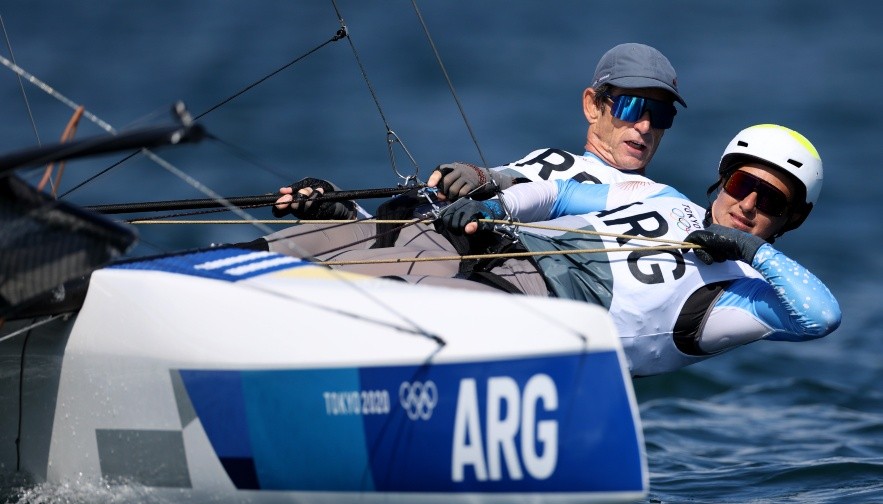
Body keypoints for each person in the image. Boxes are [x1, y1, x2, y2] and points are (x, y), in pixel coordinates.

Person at [257, 124, 840, 377]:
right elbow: (558, 194)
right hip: (497, 249)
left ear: (792, 219)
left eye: (771, 202)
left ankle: (274, 346)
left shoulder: (743, 296)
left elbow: (822, 316)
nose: (749, 205)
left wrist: (748, 250)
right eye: (743, 186)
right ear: (723, 181)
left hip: (535, 313)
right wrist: (492, 206)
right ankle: (312, 238)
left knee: (395, 290)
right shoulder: (657, 193)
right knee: (361, 239)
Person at [271, 42, 687, 222]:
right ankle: (351, 217)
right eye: (633, 107)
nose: (646, 126)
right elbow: (510, 184)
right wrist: (477, 177)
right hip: (463, 233)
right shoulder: (550, 158)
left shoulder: (658, 202)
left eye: (661, 114)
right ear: (592, 105)